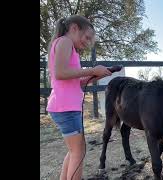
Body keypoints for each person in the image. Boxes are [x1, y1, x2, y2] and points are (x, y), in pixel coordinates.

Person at [46, 15, 112, 180]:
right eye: (87, 37)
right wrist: (91, 70)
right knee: (78, 152)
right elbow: (60, 73)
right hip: (66, 108)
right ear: (74, 28)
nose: (88, 43)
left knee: (74, 151)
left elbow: (75, 81)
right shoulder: (65, 42)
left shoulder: (70, 48)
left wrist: (95, 76)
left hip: (67, 107)